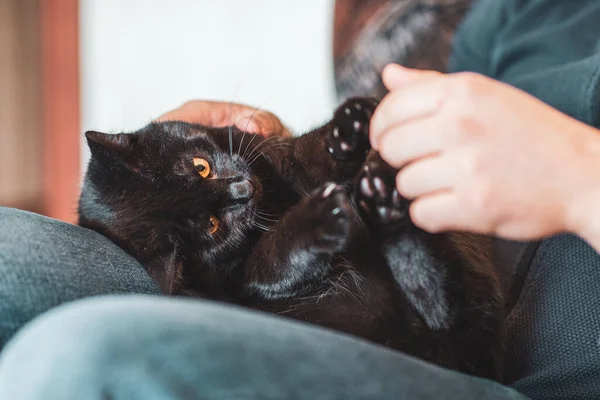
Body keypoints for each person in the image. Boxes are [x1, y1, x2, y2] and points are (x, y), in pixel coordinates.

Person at [1, 0, 600, 398]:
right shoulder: (524, 16)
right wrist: (270, 163)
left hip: (518, 366)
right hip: (359, 255)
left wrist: (578, 175)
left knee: (75, 358)